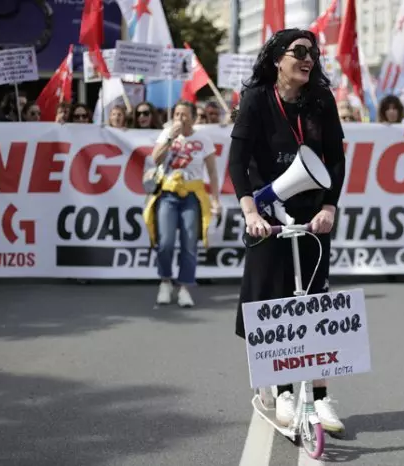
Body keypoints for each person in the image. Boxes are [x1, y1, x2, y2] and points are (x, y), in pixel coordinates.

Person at [228, 28, 346, 434]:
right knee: (274, 305)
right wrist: (249, 211)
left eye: (313, 52)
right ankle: (281, 391)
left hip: (312, 219)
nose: (308, 58)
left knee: (316, 306)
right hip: (266, 215)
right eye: (298, 51)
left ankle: (321, 397)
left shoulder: (321, 100)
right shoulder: (258, 100)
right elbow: (237, 161)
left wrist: (329, 205)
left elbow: (334, 161)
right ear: (278, 58)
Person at [143, 100, 221, 307]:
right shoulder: (166, 134)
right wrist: (170, 137)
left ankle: (185, 287)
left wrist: (215, 199)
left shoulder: (203, 139)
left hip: (192, 196)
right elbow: (155, 158)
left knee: (189, 243)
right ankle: (165, 282)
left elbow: (212, 171)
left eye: (184, 115)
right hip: (168, 194)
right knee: (166, 242)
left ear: (194, 117)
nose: (180, 118)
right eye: (177, 114)